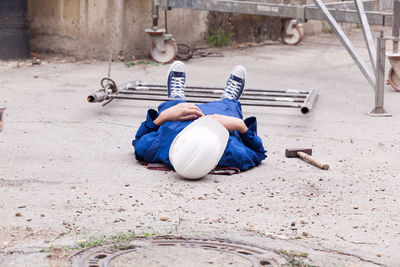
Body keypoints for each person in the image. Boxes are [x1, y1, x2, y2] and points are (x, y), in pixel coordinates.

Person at [132, 61, 267, 173]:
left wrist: (162, 117)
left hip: (177, 122)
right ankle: (229, 99)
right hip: (221, 120)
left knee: (174, 108)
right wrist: (239, 125)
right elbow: (260, 153)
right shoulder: (232, 153)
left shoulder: (159, 146)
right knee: (228, 109)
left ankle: (176, 96)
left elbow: (138, 141)